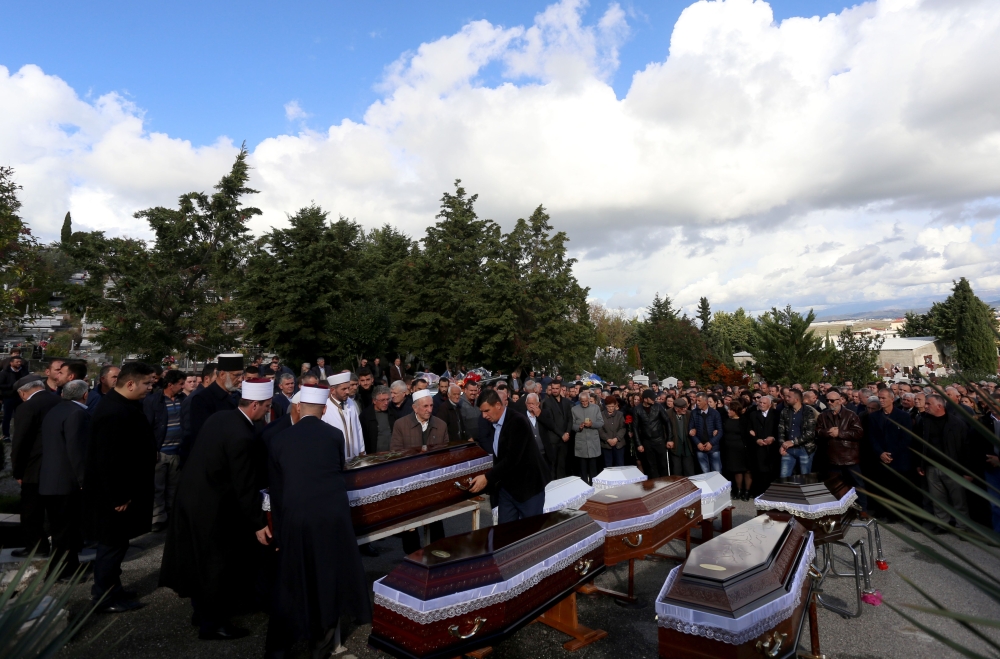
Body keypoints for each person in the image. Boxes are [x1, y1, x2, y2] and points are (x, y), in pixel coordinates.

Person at [263, 384, 372, 659]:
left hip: (297, 518)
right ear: (324, 410)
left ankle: (281, 646)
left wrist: (279, 531)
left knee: (293, 581)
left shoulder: (278, 440)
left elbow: (277, 490)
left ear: (298, 408)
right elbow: (337, 470)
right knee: (327, 578)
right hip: (331, 518)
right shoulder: (334, 436)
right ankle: (321, 646)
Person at [160, 378, 273, 640]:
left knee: (198, 562)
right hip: (214, 509)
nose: (267, 410)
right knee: (216, 566)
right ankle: (214, 624)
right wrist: (258, 523)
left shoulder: (221, 418)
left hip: (191, 500)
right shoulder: (242, 435)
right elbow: (244, 486)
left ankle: (201, 611)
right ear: (254, 404)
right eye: (266, 406)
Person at [83, 361, 157, 613]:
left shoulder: (125, 405)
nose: (150, 388)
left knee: (118, 543)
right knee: (111, 546)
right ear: (130, 383)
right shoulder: (113, 411)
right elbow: (107, 459)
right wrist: (119, 495)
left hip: (124, 491)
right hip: (113, 496)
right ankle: (104, 597)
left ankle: (112, 587)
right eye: (146, 383)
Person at [468, 390, 548, 523]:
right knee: (505, 534)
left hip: (529, 488)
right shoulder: (492, 422)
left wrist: (487, 478)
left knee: (530, 533)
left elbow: (513, 458)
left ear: (498, 405)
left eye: (486, 410)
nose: (484, 416)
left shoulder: (518, 421)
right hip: (507, 489)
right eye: (482, 412)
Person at [39, 379, 91, 579]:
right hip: (66, 482)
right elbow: (77, 451)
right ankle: (62, 571)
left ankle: (71, 566)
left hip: (50, 480)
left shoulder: (56, 410)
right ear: (84, 394)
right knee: (66, 531)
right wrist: (83, 481)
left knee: (61, 529)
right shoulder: (77, 413)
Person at [391, 389, 449, 553]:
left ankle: (438, 554)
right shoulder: (401, 425)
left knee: (436, 520)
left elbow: (445, 455)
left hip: (433, 482)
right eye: (425, 406)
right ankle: (412, 556)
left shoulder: (440, 425)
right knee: (410, 523)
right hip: (410, 482)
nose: (429, 409)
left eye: (431, 405)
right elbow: (396, 453)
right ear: (415, 408)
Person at [11, 375, 61, 557]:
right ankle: (61, 550)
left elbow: (20, 442)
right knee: (57, 512)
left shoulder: (27, 407)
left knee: (31, 511)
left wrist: (17, 470)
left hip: (34, 468)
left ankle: (36, 547)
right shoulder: (59, 402)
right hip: (59, 466)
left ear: (22, 393)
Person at [917, 394, 971, 536]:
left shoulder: (957, 423)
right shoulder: (923, 422)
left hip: (953, 469)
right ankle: (942, 523)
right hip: (932, 467)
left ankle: (962, 527)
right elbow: (918, 444)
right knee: (938, 499)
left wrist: (967, 471)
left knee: (958, 500)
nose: (925, 406)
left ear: (939, 406)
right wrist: (920, 464)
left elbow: (965, 448)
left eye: (928, 404)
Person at [144, 370, 187, 532]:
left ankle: (171, 515)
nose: (183, 387)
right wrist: (151, 449)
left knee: (174, 487)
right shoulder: (154, 401)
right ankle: (157, 518)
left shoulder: (184, 400)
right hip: (160, 452)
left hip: (178, 452)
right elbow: (147, 426)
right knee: (157, 487)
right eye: (180, 384)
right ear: (171, 385)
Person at [867, 387, 917, 525]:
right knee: (883, 487)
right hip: (881, 458)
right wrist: (880, 453)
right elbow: (872, 437)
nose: (881, 401)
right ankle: (885, 513)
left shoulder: (903, 416)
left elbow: (906, 438)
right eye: (880, 398)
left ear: (892, 399)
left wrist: (891, 454)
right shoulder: (874, 416)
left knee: (897, 488)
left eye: (883, 398)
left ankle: (898, 514)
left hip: (898, 459)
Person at [816, 388, 867, 516]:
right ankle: (839, 510)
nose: (829, 403)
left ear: (840, 401)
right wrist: (827, 432)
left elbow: (859, 433)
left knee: (858, 485)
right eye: (827, 400)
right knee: (835, 485)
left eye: (832, 400)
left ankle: (863, 509)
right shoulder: (823, 415)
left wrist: (840, 433)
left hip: (849, 456)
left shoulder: (851, 415)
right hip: (831, 456)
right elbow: (817, 431)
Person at [184, 354, 244, 460]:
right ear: (222, 374)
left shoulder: (238, 396)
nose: (240, 380)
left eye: (241, 375)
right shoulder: (202, 399)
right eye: (236, 375)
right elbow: (202, 436)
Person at [322, 371, 365, 459]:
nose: (347, 392)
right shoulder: (325, 408)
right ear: (332, 390)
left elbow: (358, 427)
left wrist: (362, 450)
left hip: (356, 456)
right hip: (337, 458)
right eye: (343, 389)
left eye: (348, 388)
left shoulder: (351, 402)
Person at [777, 389, 820, 477]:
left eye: (789, 397)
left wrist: (792, 442)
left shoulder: (808, 412)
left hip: (804, 449)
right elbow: (781, 430)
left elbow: (810, 433)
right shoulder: (785, 411)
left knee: (805, 478)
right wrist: (782, 444)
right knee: (784, 477)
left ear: (796, 399)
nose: (786, 398)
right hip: (788, 449)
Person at [634, 389, 673, 477]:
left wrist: (669, 439)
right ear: (645, 399)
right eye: (651, 398)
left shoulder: (658, 407)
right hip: (646, 442)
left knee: (663, 465)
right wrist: (639, 444)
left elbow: (667, 422)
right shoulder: (637, 410)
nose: (653, 400)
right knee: (650, 467)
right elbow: (635, 428)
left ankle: (665, 485)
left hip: (659, 440)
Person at [539, 380, 573, 479]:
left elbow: (570, 418)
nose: (554, 390)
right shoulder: (547, 403)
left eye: (556, 388)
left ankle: (561, 487)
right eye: (553, 388)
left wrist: (567, 432)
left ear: (561, 388)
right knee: (553, 465)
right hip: (553, 439)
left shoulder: (566, 401)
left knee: (562, 465)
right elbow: (550, 422)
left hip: (565, 439)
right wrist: (562, 434)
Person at [749, 395, 780, 495]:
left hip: (772, 448)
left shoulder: (776, 414)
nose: (761, 404)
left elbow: (780, 430)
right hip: (758, 447)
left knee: (772, 470)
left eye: (764, 403)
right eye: (760, 402)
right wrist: (756, 439)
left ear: (770, 405)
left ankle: (772, 492)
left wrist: (773, 438)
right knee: (759, 471)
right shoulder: (753, 414)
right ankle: (759, 492)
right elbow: (749, 430)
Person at [572, 391, 604, 485]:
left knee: (593, 469)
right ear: (579, 401)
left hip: (593, 443)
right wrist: (579, 427)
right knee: (583, 470)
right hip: (581, 443)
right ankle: (584, 487)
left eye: (586, 401)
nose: (585, 403)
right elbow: (571, 425)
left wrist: (592, 424)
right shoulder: (574, 409)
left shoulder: (596, 408)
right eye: (582, 402)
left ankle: (594, 487)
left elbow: (601, 422)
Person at [722, 400, 752, 499]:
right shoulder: (726, 420)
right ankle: (738, 490)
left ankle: (747, 491)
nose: (728, 411)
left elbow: (748, 433)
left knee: (747, 470)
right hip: (731, 449)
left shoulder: (744, 420)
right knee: (737, 470)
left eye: (730, 409)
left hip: (743, 449)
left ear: (735, 410)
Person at [690, 392, 723, 474]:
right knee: (705, 473)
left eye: (699, 401)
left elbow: (720, 431)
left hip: (713, 447)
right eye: (696, 401)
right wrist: (698, 443)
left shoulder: (715, 413)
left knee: (717, 472)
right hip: (700, 448)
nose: (697, 403)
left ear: (706, 401)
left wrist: (711, 443)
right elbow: (691, 431)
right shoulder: (694, 413)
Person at [666, 397, 696, 476]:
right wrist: (668, 440)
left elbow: (695, 426)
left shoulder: (689, 414)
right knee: (676, 470)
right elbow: (664, 430)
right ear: (676, 409)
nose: (685, 409)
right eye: (683, 408)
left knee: (689, 470)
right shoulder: (668, 414)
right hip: (675, 447)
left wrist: (694, 430)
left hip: (687, 446)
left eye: (686, 407)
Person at [0, 353, 27, 440]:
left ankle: (19, 434)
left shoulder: (24, 372)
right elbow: (1, 385)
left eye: (20, 362)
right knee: (7, 416)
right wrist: (12, 386)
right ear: (11, 363)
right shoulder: (4, 373)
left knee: (20, 416)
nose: (19, 363)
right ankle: (6, 435)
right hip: (9, 397)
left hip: (21, 396)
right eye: (17, 362)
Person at [360, 385, 393, 454]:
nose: (386, 403)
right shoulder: (365, 416)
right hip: (374, 456)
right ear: (374, 401)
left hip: (392, 454)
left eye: (388, 399)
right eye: (382, 400)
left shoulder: (392, 413)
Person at [599, 394, 627, 468]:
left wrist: (616, 438)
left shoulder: (620, 414)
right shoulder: (601, 415)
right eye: (609, 406)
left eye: (612, 406)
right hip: (606, 445)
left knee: (620, 465)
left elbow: (623, 428)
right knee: (608, 466)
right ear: (605, 406)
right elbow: (600, 429)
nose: (611, 408)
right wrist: (608, 439)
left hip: (619, 445)